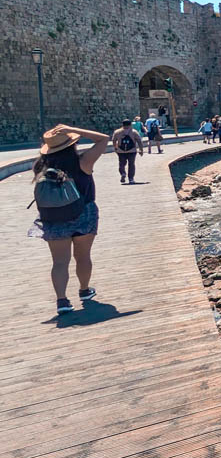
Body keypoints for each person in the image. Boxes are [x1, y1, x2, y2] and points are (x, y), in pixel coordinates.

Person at [30, 124, 109, 315]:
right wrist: (73, 130)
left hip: (54, 218)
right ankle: (84, 291)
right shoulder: (83, 162)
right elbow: (103, 139)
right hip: (84, 214)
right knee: (82, 257)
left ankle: (62, 301)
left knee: (59, 262)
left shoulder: (41, 167)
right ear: (71, 144)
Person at [111, 119, 144, 183]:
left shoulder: (117, 132)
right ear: (130, 125)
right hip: (132, 150)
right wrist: (141, 149)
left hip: (121, 151)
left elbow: (114, 140)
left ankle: (123, 173)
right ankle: (131, 178)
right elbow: (139, 141)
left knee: (121, 163)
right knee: (131, 164)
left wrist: (115, 147)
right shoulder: (134, 132)